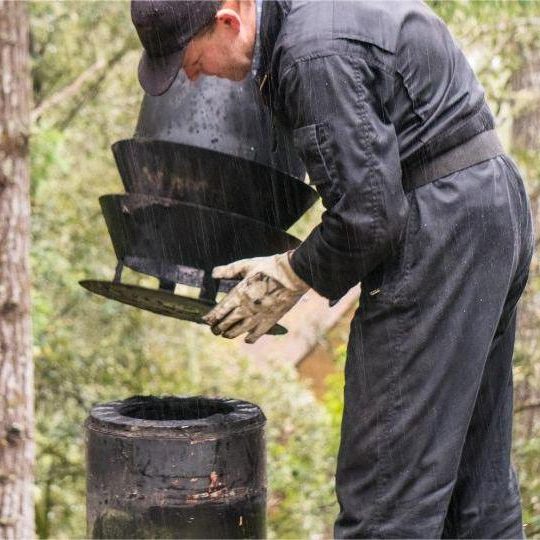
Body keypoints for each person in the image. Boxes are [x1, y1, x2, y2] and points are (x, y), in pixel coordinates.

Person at [131, 1, 534, 537]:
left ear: (228, 22)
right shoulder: (306, 20)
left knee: (386, 493)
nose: (190, 74)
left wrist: (294, 272)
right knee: (475, 491)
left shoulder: (309, 53)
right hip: (486, 205)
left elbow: (368, 216)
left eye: (191, 59)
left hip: (441, 227)